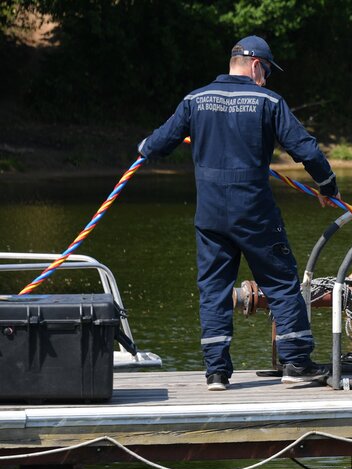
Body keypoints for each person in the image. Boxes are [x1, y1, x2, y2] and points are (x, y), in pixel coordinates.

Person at [138, 35, 340, 391]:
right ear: (257, 65)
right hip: (254, 212)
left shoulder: (194, 99)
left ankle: (216, 372)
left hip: (211, 215)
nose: (267, 80)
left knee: (214, 288)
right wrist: (327, 184)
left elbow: (156, 145)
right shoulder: (268, 101)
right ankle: (295, 362)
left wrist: (143, 147)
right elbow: (304, 148)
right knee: (280, 281)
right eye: (267, 72)